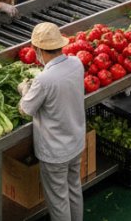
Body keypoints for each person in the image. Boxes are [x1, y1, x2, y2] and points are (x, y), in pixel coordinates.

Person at [18, 23, 85, 220]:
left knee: (58, 200)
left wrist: (24, 90)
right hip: (75, 141)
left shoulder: (44, 80)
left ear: (38, 50)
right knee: (74, 188)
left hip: (55, 151)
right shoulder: (76, 63)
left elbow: (25, 110)